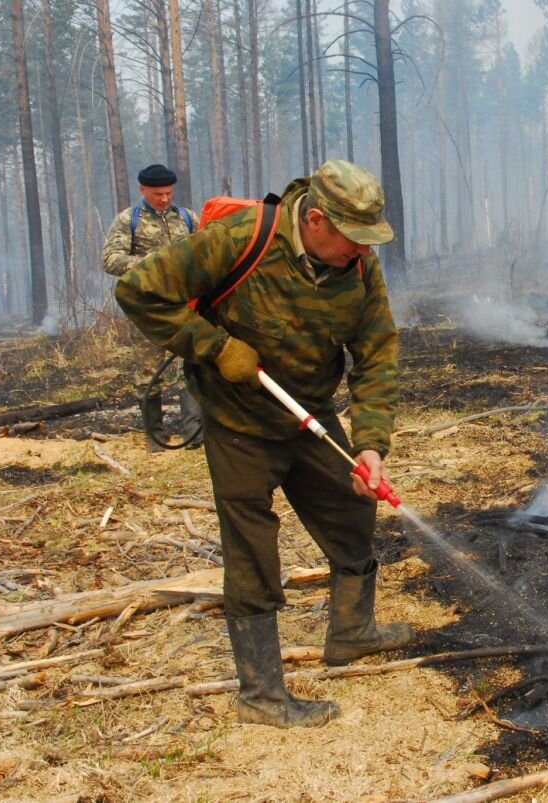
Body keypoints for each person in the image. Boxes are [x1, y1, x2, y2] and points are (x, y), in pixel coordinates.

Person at [115, 160, 411, 728]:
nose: (362, 251)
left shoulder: (360, 267)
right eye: (354, 239)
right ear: (318, 220)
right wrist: (213, 346)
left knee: (353, 507)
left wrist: (372, 444)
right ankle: (262, 694)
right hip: (239, 422)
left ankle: (352, 632)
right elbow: (138, 290)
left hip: (310, 416)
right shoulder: (237, 241)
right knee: (252, 549)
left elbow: (376, 354)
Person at [102, 163, 203, 448]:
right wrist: (152, 263)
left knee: (192, 364)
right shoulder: (128, 220)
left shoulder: (187, 218)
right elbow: (110, 260)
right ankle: (155, 438)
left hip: (185, 305)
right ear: (142, 190)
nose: (164, 199)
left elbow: (204, 251)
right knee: (147, 370)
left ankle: (194, 433)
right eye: (158, 193)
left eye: (168, 193)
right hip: (147, 307)